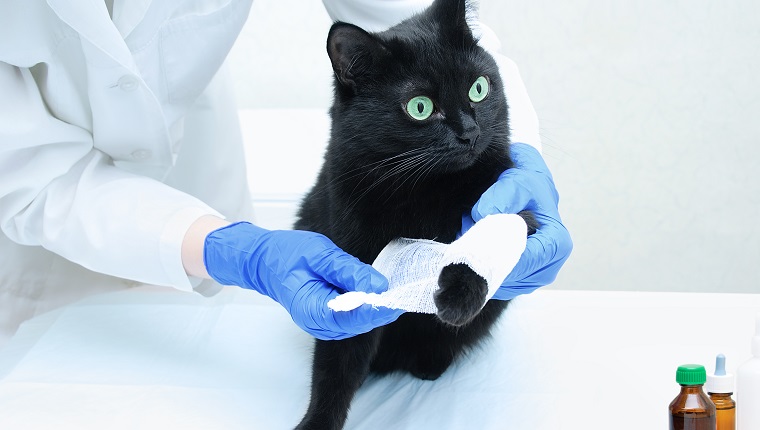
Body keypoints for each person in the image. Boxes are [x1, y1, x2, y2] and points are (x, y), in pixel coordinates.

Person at [0, 0, 572, 348]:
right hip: (46, 235)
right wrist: (232, 250)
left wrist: (517, 155)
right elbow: (30, 170)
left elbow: (431, 33)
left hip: (191, 160)